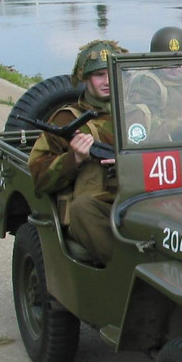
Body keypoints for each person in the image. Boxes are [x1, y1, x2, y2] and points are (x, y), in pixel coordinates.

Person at [29, 39, 127, 265]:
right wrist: (73, 159)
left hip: (135, 199)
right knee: (82, 209)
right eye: (99, 75)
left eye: (112, 72)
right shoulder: (67, 120)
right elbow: (37, 175)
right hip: (98, 206)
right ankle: (123, 272)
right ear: (84, 78)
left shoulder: (138, 113)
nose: (107, 81)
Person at [126, 27, 182, 142]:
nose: (174, 66)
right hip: (162, 151)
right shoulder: (147, 84)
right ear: (156, 60)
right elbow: (144, 121)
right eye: (167, 60)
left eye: (180, 60)